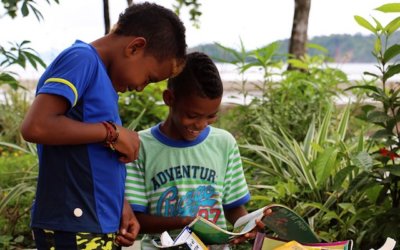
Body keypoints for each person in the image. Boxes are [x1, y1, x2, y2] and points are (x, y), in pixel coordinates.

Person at [20, 2, 187, 249]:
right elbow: (37, 126)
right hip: (72, 222)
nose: (141, 87)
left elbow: (93, 159)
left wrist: (122, 206)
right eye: (149, 78)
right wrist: (112, 132)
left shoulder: (103, 82)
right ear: (135, 47)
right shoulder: (81, 59)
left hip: (95, 223)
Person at [125, 52, 263, 249]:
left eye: (211, 116)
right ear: (169, 98)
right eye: (192, 115)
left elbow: (233, 208)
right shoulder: (140, 145)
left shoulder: (224, 143)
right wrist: (186, 223)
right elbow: (136, 220)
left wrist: (249, 228)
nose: (201, 124)